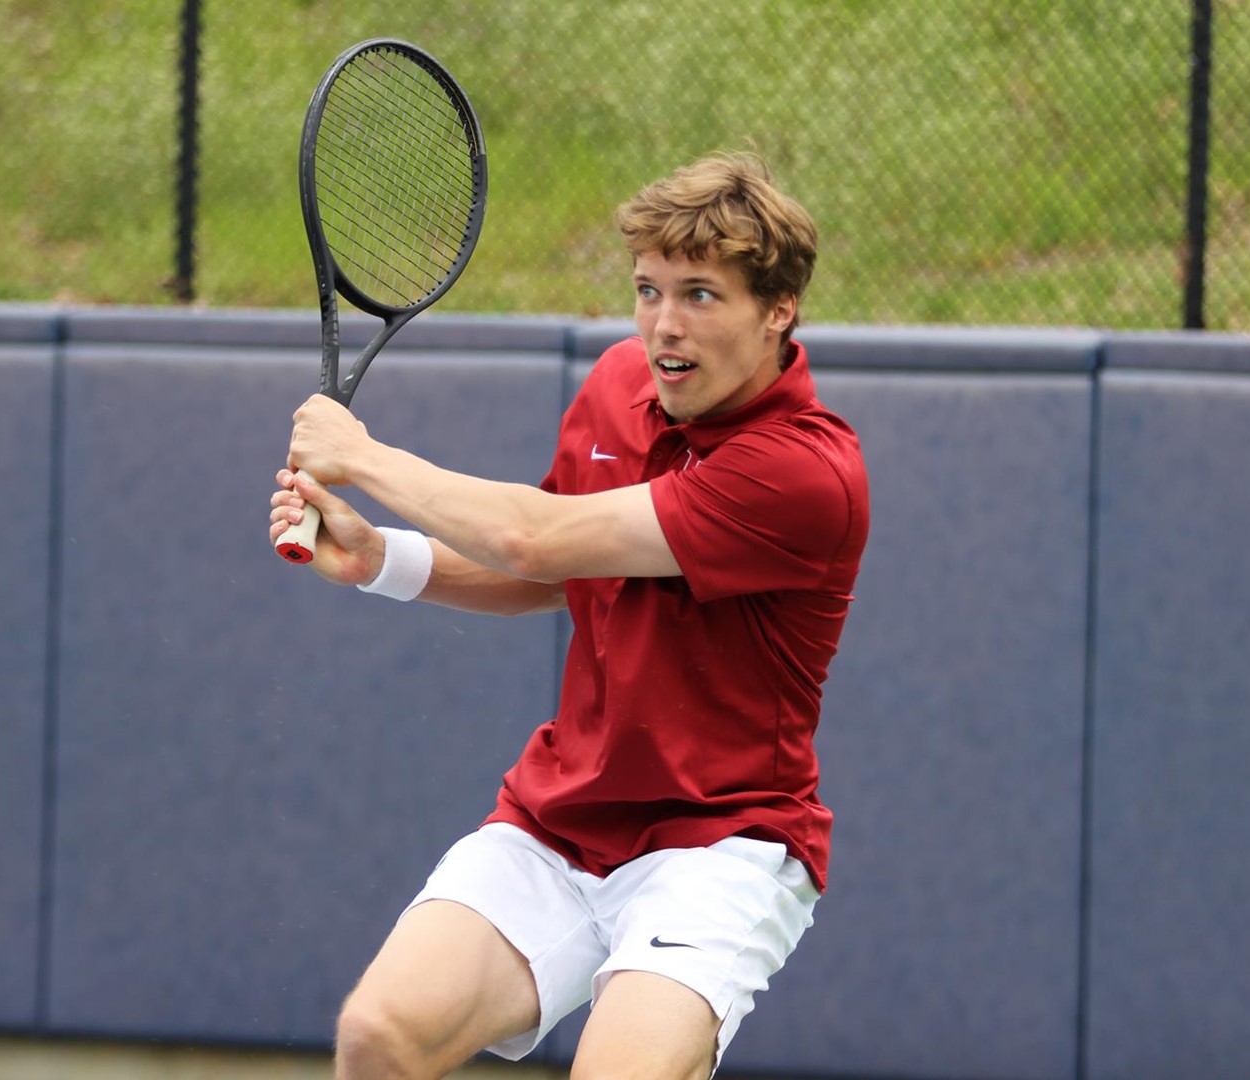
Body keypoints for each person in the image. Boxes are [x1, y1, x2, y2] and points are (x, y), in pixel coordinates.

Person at [270, 151, 869, 1080]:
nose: (665, 325)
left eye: (701, 295)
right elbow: (557, 573)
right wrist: (382, 559)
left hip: (721, 843)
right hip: (561, 818)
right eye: (648, 289)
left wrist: (364, 458)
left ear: (777, 310)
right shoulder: (619, 387)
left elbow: (535, 540)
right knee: (381, 1037)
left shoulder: (803, 473)